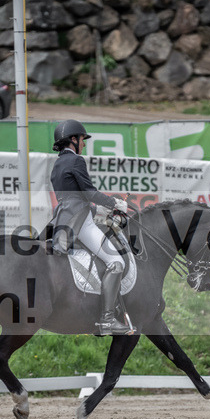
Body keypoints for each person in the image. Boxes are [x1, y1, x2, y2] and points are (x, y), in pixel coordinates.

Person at [48, 119, 131, 335]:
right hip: (80, 221)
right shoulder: (77, 161)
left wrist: (97, 209)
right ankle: (108, 320)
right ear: (73, 140)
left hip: (62, 219)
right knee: (116, 262)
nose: (84, 144)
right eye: (82, 139)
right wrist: (115, 203)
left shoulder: (57, 164)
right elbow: (89, 193)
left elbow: (74, 196)